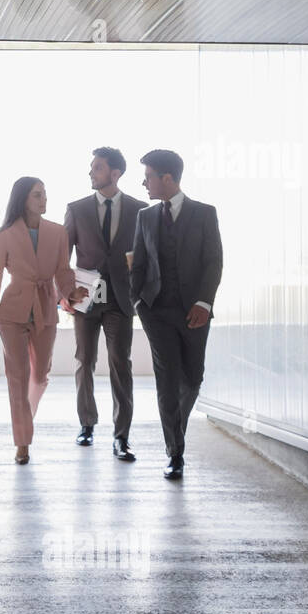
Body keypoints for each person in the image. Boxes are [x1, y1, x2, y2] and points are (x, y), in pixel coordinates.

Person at [129, 149, 223, 479]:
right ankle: (175, 453)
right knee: (167, 381)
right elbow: (138, 265)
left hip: (194, 312)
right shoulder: (145, 217)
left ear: (167, 178)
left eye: (149, 176)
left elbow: (214, 261)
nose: (144, 183)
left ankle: (175, 430)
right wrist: (137, 305)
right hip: (156, 311)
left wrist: (203, 303)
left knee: (192, 378)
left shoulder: (205, 213)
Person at [0, 178, 87, 464]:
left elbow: (63, 272)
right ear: (23, 199)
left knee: (40, 375)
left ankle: (23, 417)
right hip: (11, 314)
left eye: (44, 195)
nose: (43, 200)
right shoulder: (5, 235)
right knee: (17, 378)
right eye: (37, 195)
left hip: (46, 309)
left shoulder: (57, 233)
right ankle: (23, 442)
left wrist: (72, 293)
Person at [62, 147, 146, 461]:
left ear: (115, 173)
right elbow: (63, 256)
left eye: (97, 168)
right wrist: (65, 294)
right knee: (84, 360)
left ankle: (121, 435)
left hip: (121, 297)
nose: (91, 172)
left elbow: (145, 257)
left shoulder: (140, 210)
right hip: (87, 295)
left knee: (120, 363)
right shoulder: (77, 208)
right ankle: (87, 424)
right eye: (91, 167)